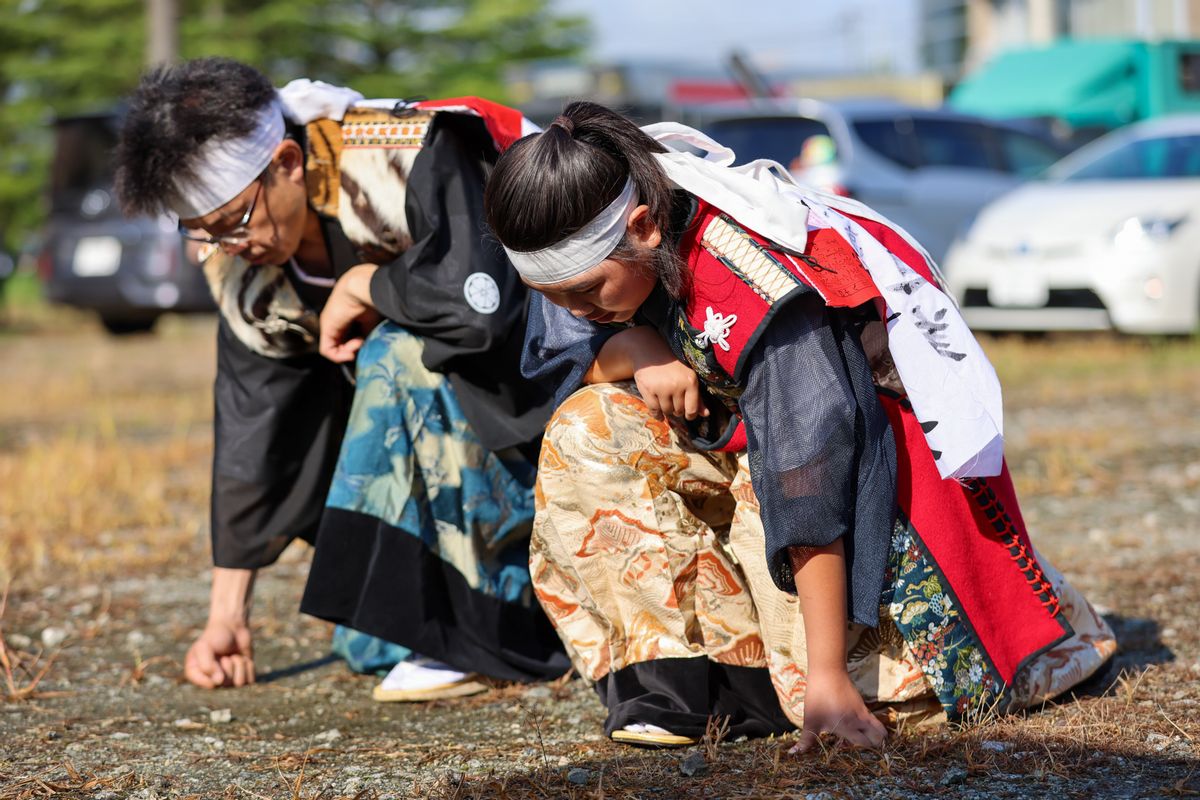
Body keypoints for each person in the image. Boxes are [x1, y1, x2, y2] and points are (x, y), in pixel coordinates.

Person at [483, 102, 1117, 749]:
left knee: (831, 681)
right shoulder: (635, 246)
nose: (578, 313)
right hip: (770, 456)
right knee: (588, 428)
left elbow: (809, 471)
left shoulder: (746, 277)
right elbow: (562, 364)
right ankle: (688, 686)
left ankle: (839, 674)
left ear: (643, 227)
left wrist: (827, 674)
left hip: (874, 482)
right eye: (555, 298)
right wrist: (638, 347)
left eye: (588, 295)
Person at [113, 57, 569, 698]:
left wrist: (370, 285)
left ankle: (491, 620)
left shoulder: (410, 153)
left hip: (538, 414)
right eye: (205, 234)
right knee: (366, 642)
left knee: (394, 349)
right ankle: (431, 611)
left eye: (235, 223)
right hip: (428, 449)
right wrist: (226, 617)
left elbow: (483, 306)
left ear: (287, 165)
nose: (228, 247)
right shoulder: (240, 266)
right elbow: (252, 431)